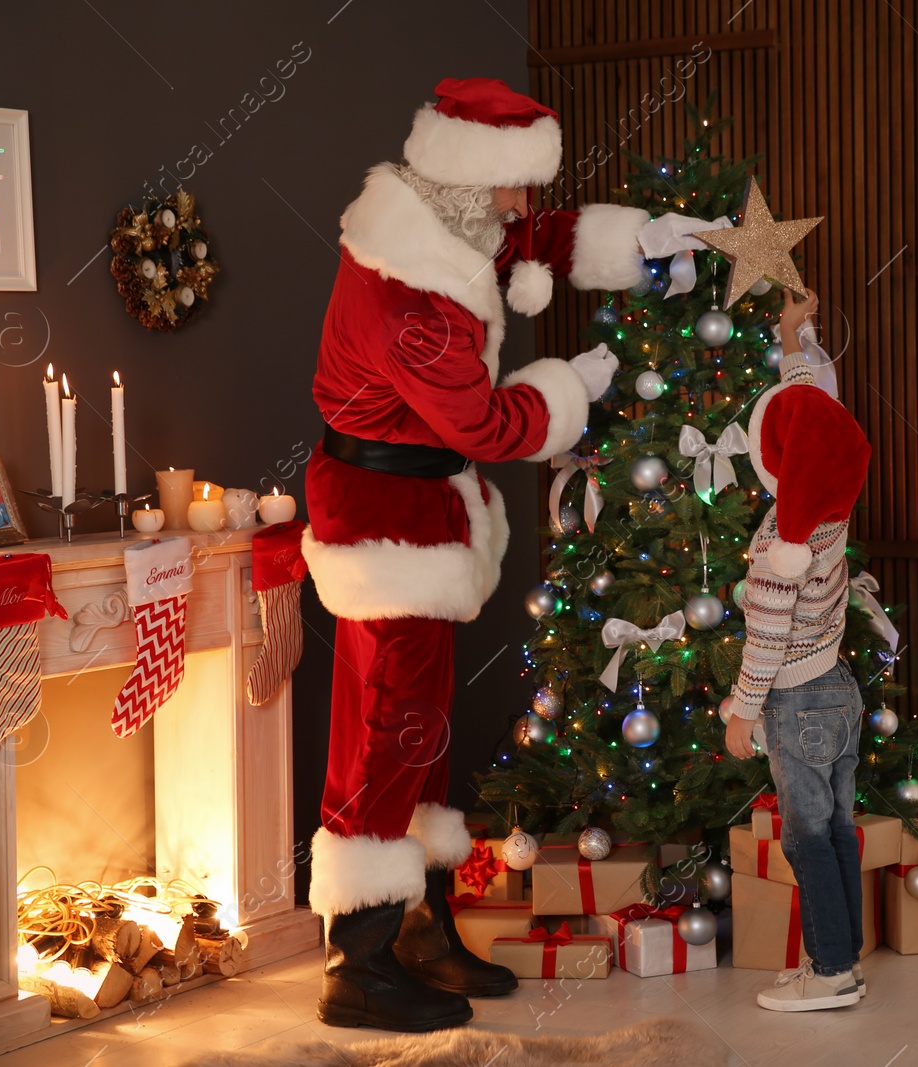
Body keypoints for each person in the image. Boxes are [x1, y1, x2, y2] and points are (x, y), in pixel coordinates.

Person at [301, 77, 713, 1032]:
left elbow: (532, 238)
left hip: (417, 508)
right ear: (465, 177)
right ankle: (356, 962)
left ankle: (419, 925)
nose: (523, 208)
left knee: (421, 725)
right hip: (388, 524)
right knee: (387, 729)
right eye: (514, 187)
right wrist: (574, 384)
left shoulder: (438, 222)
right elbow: (488, 425)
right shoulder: (415, 299)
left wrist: (638, 244)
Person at [719, 289, 874, 1012]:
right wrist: (793, 334)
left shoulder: (779, 546)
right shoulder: (830, 510)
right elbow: (810, 411)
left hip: (798, 698)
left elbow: (767, 636)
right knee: (838, 828)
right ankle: (844, 958)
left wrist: (741, 712)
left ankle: (831, 969)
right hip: (840, 690)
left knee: (806, 839)